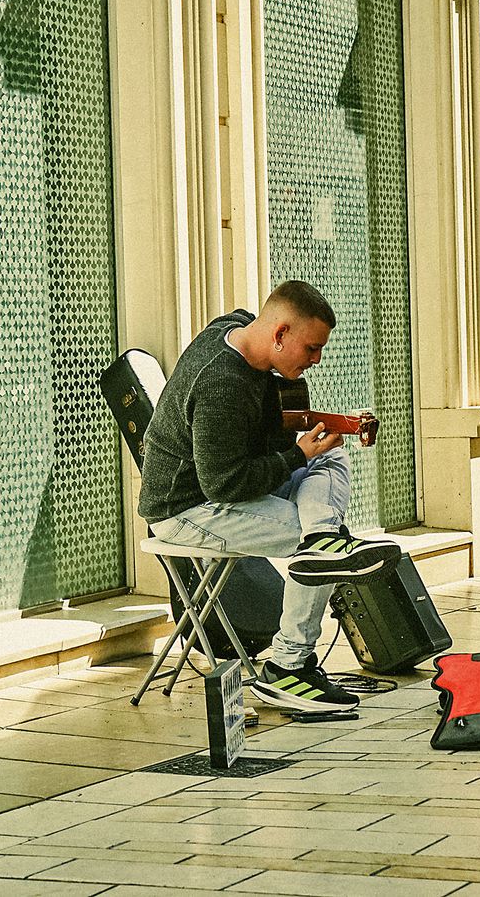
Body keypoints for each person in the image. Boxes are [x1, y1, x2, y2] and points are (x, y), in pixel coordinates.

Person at [138, 280, 402, 713]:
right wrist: (297, 452)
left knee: (331, 462)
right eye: (311, 348)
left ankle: (321, 539)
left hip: (230, 483)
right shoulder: (221, 383)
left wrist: (324, 429)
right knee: (318, 548)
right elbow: (224, 485)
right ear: (279, 334)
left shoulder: (241, 326)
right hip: (187, 507)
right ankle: (287, 666)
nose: (316, 360)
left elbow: (265, 428)